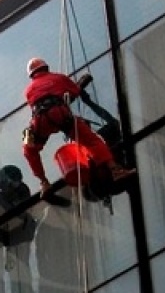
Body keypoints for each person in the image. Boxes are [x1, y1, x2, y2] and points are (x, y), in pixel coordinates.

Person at [21, 57, 136, 196]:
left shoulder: (28, 90)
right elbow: (75, 91)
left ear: (31, 74)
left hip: (39, 120)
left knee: (29, 149)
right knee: (92, 141)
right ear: (46, 68)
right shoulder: (59, 78)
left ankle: (44, 183)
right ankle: (115, 169)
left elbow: (34, 103)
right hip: (61, 114)